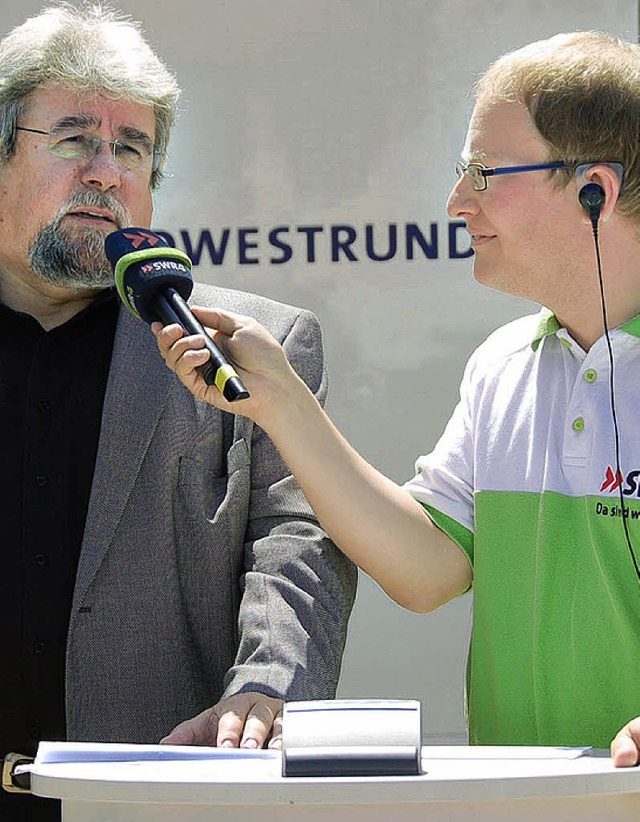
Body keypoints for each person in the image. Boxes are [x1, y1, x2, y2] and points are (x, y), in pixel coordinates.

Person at [156, 30, 640, 767]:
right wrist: (281, 400)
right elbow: (427, 571)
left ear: (593, 191)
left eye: (484, 171)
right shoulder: (504, 364)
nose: (457, 201)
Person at [0, 4, 356, 819]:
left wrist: (269, 686)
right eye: (74, 138)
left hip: (154, 793)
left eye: (133, 148)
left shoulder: (243, 346)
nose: (106, 170)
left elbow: (297, 539)